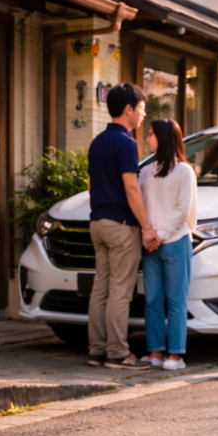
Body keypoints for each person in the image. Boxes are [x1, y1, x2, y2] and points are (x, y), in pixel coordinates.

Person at [86, 83, 161, 369]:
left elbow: (92, 186)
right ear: (128, 109)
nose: (143, 115)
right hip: (121, 225)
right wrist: (147, 227)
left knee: (100, 289)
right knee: (120, 290)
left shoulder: (98, 142)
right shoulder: (126, 143)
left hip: (98, 222)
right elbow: (132, 188)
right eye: (141, 108)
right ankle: (117, 354)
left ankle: (97, 351)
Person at [140, 119, 197, 371]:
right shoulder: (145, 171)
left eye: (150, 134)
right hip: (154, 242)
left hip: (171, 242)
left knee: (175, 300)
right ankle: (155, 351)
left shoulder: (184, 171)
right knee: (152, 300)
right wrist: (150, 234)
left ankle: (175, 355)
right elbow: (141, 208)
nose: (146, 139)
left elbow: (182, 210)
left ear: (162, 138)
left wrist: (155, 235)